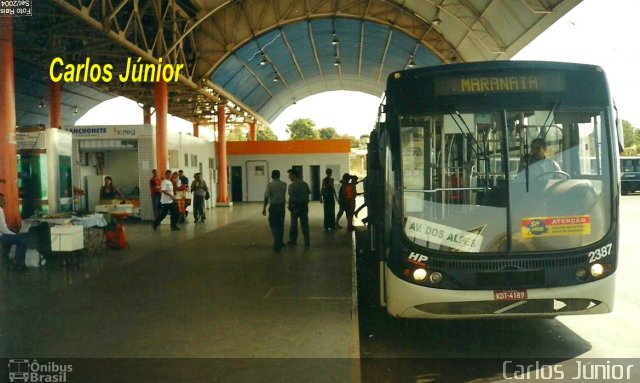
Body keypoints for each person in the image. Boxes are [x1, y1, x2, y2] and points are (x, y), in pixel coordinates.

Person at [262, 170, 288, 252]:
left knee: (273, 224)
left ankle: (277, 241)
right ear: (279, 175)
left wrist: (264, 208)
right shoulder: (284, 184)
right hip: (282, 206)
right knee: (281, 224)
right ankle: (280, 241)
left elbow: (266, 197)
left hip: (273, 207)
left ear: (272, 176)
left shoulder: (270, 185)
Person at [0, 193, 27, 269]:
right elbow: (3, 229)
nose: (5, 202)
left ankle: (16, 262)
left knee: (17, 238)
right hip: (1, 236)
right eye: (2, 200)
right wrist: (14, 234)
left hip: (2, 234)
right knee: (22, 240)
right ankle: (19, 263)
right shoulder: (0, 210)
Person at [286, 168, 311, 248]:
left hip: (295, 207)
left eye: (289, 175)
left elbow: (291, 197)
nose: (289, 177)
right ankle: (307, 241)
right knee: (305, 224)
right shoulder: (305, 184)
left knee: (294, 224)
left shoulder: (291, 186)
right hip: (303, 206)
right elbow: (307, 195)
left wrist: (289, 206)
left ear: (294, 175)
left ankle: (293, 240)